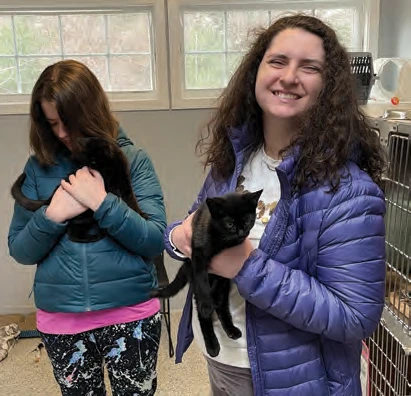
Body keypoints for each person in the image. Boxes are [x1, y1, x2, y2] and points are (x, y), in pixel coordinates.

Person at [164, 14, 386, 396]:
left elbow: (354, 317)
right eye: (278, 61)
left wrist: (248, 267)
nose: (288, 76)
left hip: (294, 380)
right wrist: (178, 237)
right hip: (222, 354)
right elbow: (194, 217)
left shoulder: (349, 191)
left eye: (309, 67)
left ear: (328, 86)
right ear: (256, 71)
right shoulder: (234, 158)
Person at [8, 60, 166, 396]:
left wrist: (101, 202)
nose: (63, 134)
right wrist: (52, 216)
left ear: (92, 113)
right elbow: (20, 249)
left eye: (72, 123)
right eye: (53, 124)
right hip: (62, 321)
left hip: (132, 314)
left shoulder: (134, 159)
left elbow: (154, 242)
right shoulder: (38, 168)